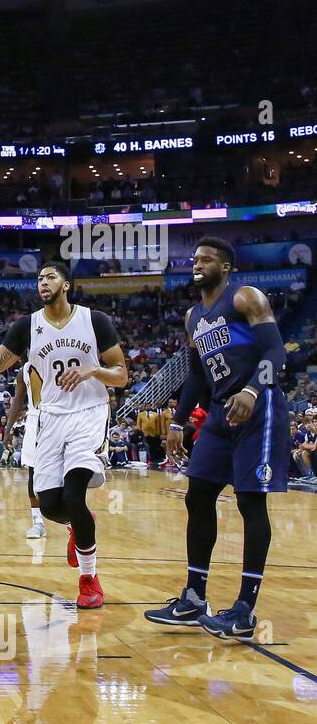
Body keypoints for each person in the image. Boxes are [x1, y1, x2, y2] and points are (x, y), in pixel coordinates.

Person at [0, 260, 128, 609]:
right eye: (39, 277)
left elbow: (121, 375)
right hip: (51, 419)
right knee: (51, 505)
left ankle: (89, 580)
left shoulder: (95, 321)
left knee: (75, 493)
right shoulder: (27, 327)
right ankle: (77, 526)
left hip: (88, 415)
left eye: (50, 276)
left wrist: (93, 370)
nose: (43, 281)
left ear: (66, 285)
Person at [145, 237, 290, 640]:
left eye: (206, 259)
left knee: (249, 502)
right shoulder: (193, 317)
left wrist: (252, 391)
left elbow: (277, 353)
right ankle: (194, 598)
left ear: (225, 267)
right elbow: (196, 377)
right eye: (195, 259)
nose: (198, 264)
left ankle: (244, 609)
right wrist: (177, 422)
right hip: (221, 412)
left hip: (259, 408)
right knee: (197, 495)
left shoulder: (245, 297)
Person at [4, 364, 45, 538]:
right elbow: (17, 402)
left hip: (62, 418)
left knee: (67, 475)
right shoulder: (25, 371)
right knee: (33, 474)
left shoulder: (61, 358)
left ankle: (74, 519)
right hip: (35, 420)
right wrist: (7, 430)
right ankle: (37, 522)